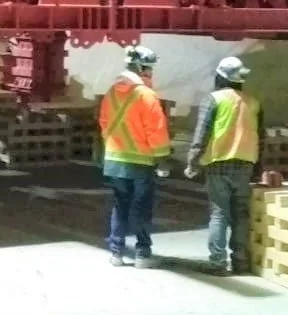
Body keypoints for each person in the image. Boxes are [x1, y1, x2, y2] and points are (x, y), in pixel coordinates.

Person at [185, 56, 266, 275]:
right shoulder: (254, 102)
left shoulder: (214, 99)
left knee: (219, 213)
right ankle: (240, 262)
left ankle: (218, 263)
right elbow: (261, 137)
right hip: (246, 163)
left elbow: (201, 134)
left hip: (219, 163)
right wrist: (259, 168)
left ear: (220, 76)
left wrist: (192, 162)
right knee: (240, 214)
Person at [98, 45, 171, 268]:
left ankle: (116, 253)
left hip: (115, 161)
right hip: (140, 162)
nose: (151, 73)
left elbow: (103, 122)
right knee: (141, 208)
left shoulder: (112, 93)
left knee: (120, 206)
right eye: (148, 68)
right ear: (140, 68)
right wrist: (162, 159)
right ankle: (142, 253)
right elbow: (156, 131)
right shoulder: (146, 96)